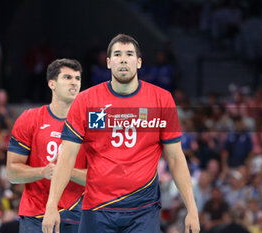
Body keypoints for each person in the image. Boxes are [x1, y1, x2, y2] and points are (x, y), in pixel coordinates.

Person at [42, 34, 199, 233]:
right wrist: (51, 206)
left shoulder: (162, 99)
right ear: (108, 62)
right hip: (97, 209)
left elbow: (176, 158)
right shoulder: (85, 100)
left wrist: (192, 209)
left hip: (143, 210)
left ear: (139, 62)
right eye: (117, 54)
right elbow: (66, 157)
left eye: (129, 54)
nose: (123, 59)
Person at [6, 59, 87, 233]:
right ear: (52, 84)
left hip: (78, 216)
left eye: (77, 78)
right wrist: (43, 172)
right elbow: (12, 173)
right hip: (36, 215)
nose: (74, 82)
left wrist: (66, 171)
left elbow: (98, 177)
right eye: (67, 77)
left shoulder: (90, 125)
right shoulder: (29, 119)